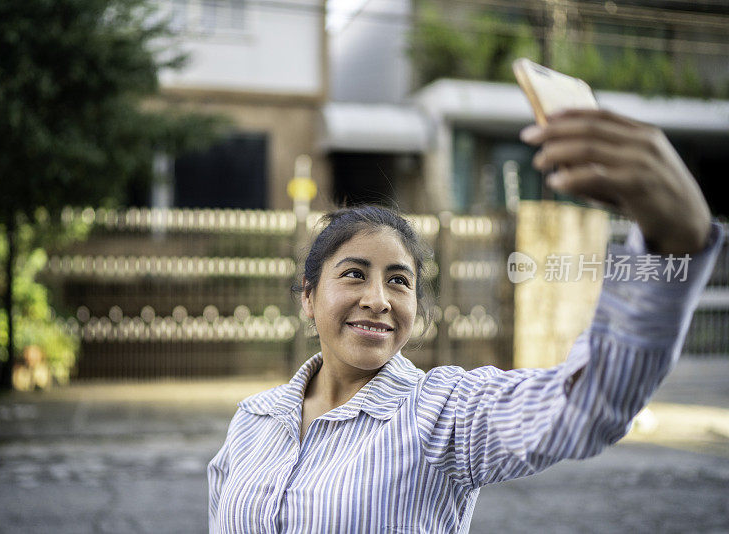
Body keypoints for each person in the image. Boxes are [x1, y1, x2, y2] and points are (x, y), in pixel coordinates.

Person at [207, 109, 724, 533]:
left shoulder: (444, 414)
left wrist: (669, 246)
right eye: (353, 274)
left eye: (399, 281)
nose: (378, 299)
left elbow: (586, 404)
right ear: (307, 297)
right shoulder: (254, 421)